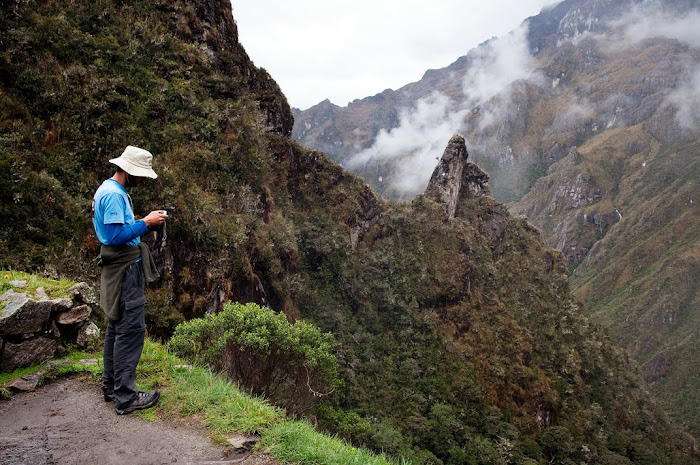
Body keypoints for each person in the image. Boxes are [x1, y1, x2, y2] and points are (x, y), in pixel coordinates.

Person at [92, 145, 168, 415]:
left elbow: (119, 228)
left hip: (119, 270)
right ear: (129, 171)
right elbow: (114, 237)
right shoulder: (113, 196)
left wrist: (142, 222)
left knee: (116, 328)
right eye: (141, 175)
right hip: (125, 272)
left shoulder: (110, 190)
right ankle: (126, 396)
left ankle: (111, 387)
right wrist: (146, 223)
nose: (143, 180)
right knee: (131, 331)